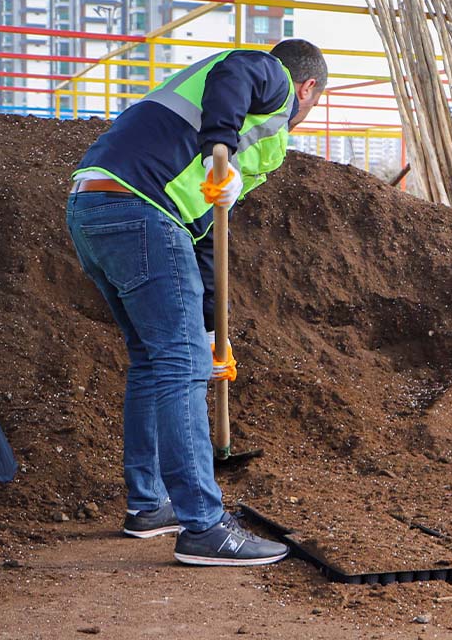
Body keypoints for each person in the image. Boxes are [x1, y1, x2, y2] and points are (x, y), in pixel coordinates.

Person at [65, 40, 327, 564]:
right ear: (308, 89)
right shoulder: (270, 75)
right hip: (142, 211)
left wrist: (210, 328)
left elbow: (206, 233)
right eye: (314, 104)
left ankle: (149, 505)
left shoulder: (244, 154)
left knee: (154, 361)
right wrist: (216, 152)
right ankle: (204, 527)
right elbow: (236, 73)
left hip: (96, 208)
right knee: (178, 367)